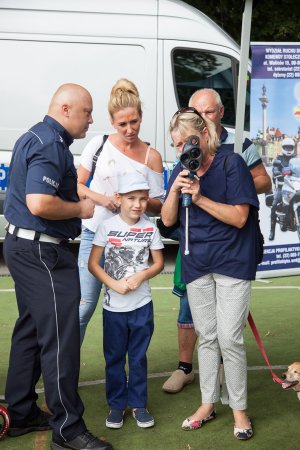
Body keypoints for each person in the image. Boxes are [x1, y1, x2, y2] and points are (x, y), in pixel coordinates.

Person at [3, 83, 113, 450]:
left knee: (31, 330)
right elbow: (39, 202)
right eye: (87, 112)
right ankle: (68, 430)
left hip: (22, 246)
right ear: (65, 109)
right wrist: (81, 210)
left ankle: (19, 412)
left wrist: (89, 198)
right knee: (61, 339)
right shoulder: (51, 144)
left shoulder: (33, 136)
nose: (91, 119)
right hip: (43, 254)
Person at [162, 88, 271, 394]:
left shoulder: (234, 156)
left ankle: (236, 405)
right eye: (177, 145)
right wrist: (175, 191)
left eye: (186, 142)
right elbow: (169, 221)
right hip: (197, 259)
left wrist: (205, 195)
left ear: (209, 125)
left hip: (231, 259)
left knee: (229, 336)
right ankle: (201, 391)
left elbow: (241, 214)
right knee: (206, 333)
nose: (183, 149)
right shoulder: (183, 166)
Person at [77, 78, 164, 345]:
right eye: (122, 124)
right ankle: (64, 372)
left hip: (132, 245)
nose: (129, 129)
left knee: (127, 310)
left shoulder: (152, 155)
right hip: (95, 235)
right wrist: (104, 199)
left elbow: (158, 204)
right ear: (112, 122)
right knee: (84, 308)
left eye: (134, 122)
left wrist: (133, 199)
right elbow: (77, 185)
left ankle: (125, 373)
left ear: (141, 117)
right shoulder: (98, 144)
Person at [88, 172, 164, 430]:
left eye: (143, 199)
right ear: (118, 198)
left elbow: (159, 263)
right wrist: (114, 284)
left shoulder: (150, 228)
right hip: (113, 309)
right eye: (131, 198)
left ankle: (138, 404)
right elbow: (93, 264)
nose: (137, 205)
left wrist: (142, 275)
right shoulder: (107, 227)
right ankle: (117, 405)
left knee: (139, 357)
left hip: (142, 307)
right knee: (114, 357)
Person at [269, 137, 296, 240]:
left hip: (294, 185)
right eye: (287, 148)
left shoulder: (296, 158)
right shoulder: (279, 158)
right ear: (283, 148)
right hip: (282, 186)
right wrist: (277, 172)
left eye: (290, 148)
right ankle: (272, 231)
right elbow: (275, 169)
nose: (289, 150)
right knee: (274, 205)